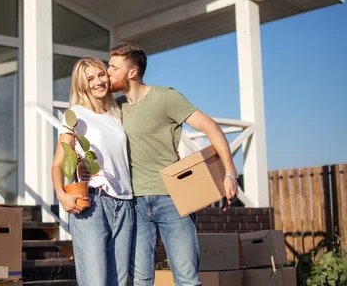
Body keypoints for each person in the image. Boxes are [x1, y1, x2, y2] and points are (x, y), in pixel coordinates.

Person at [107, 43, 239, 286]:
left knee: (187, 279)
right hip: (134, 202)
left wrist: (230, 173)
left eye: (114, 67)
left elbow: (211, 127)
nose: (108, 72)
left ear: (132, 73)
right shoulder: (116, 107)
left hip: (172, 199)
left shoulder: (166, 97)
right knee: (140, 279)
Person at [51, 56, 135, 286]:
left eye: (101, 75)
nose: (98, 81)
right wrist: (61, 193)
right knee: (95, 281)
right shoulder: (75, 114)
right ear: (82, 85)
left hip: (125, 204)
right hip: (93, 204)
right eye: (90, 78)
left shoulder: (116, 114)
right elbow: (59, 161)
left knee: (118, 281)